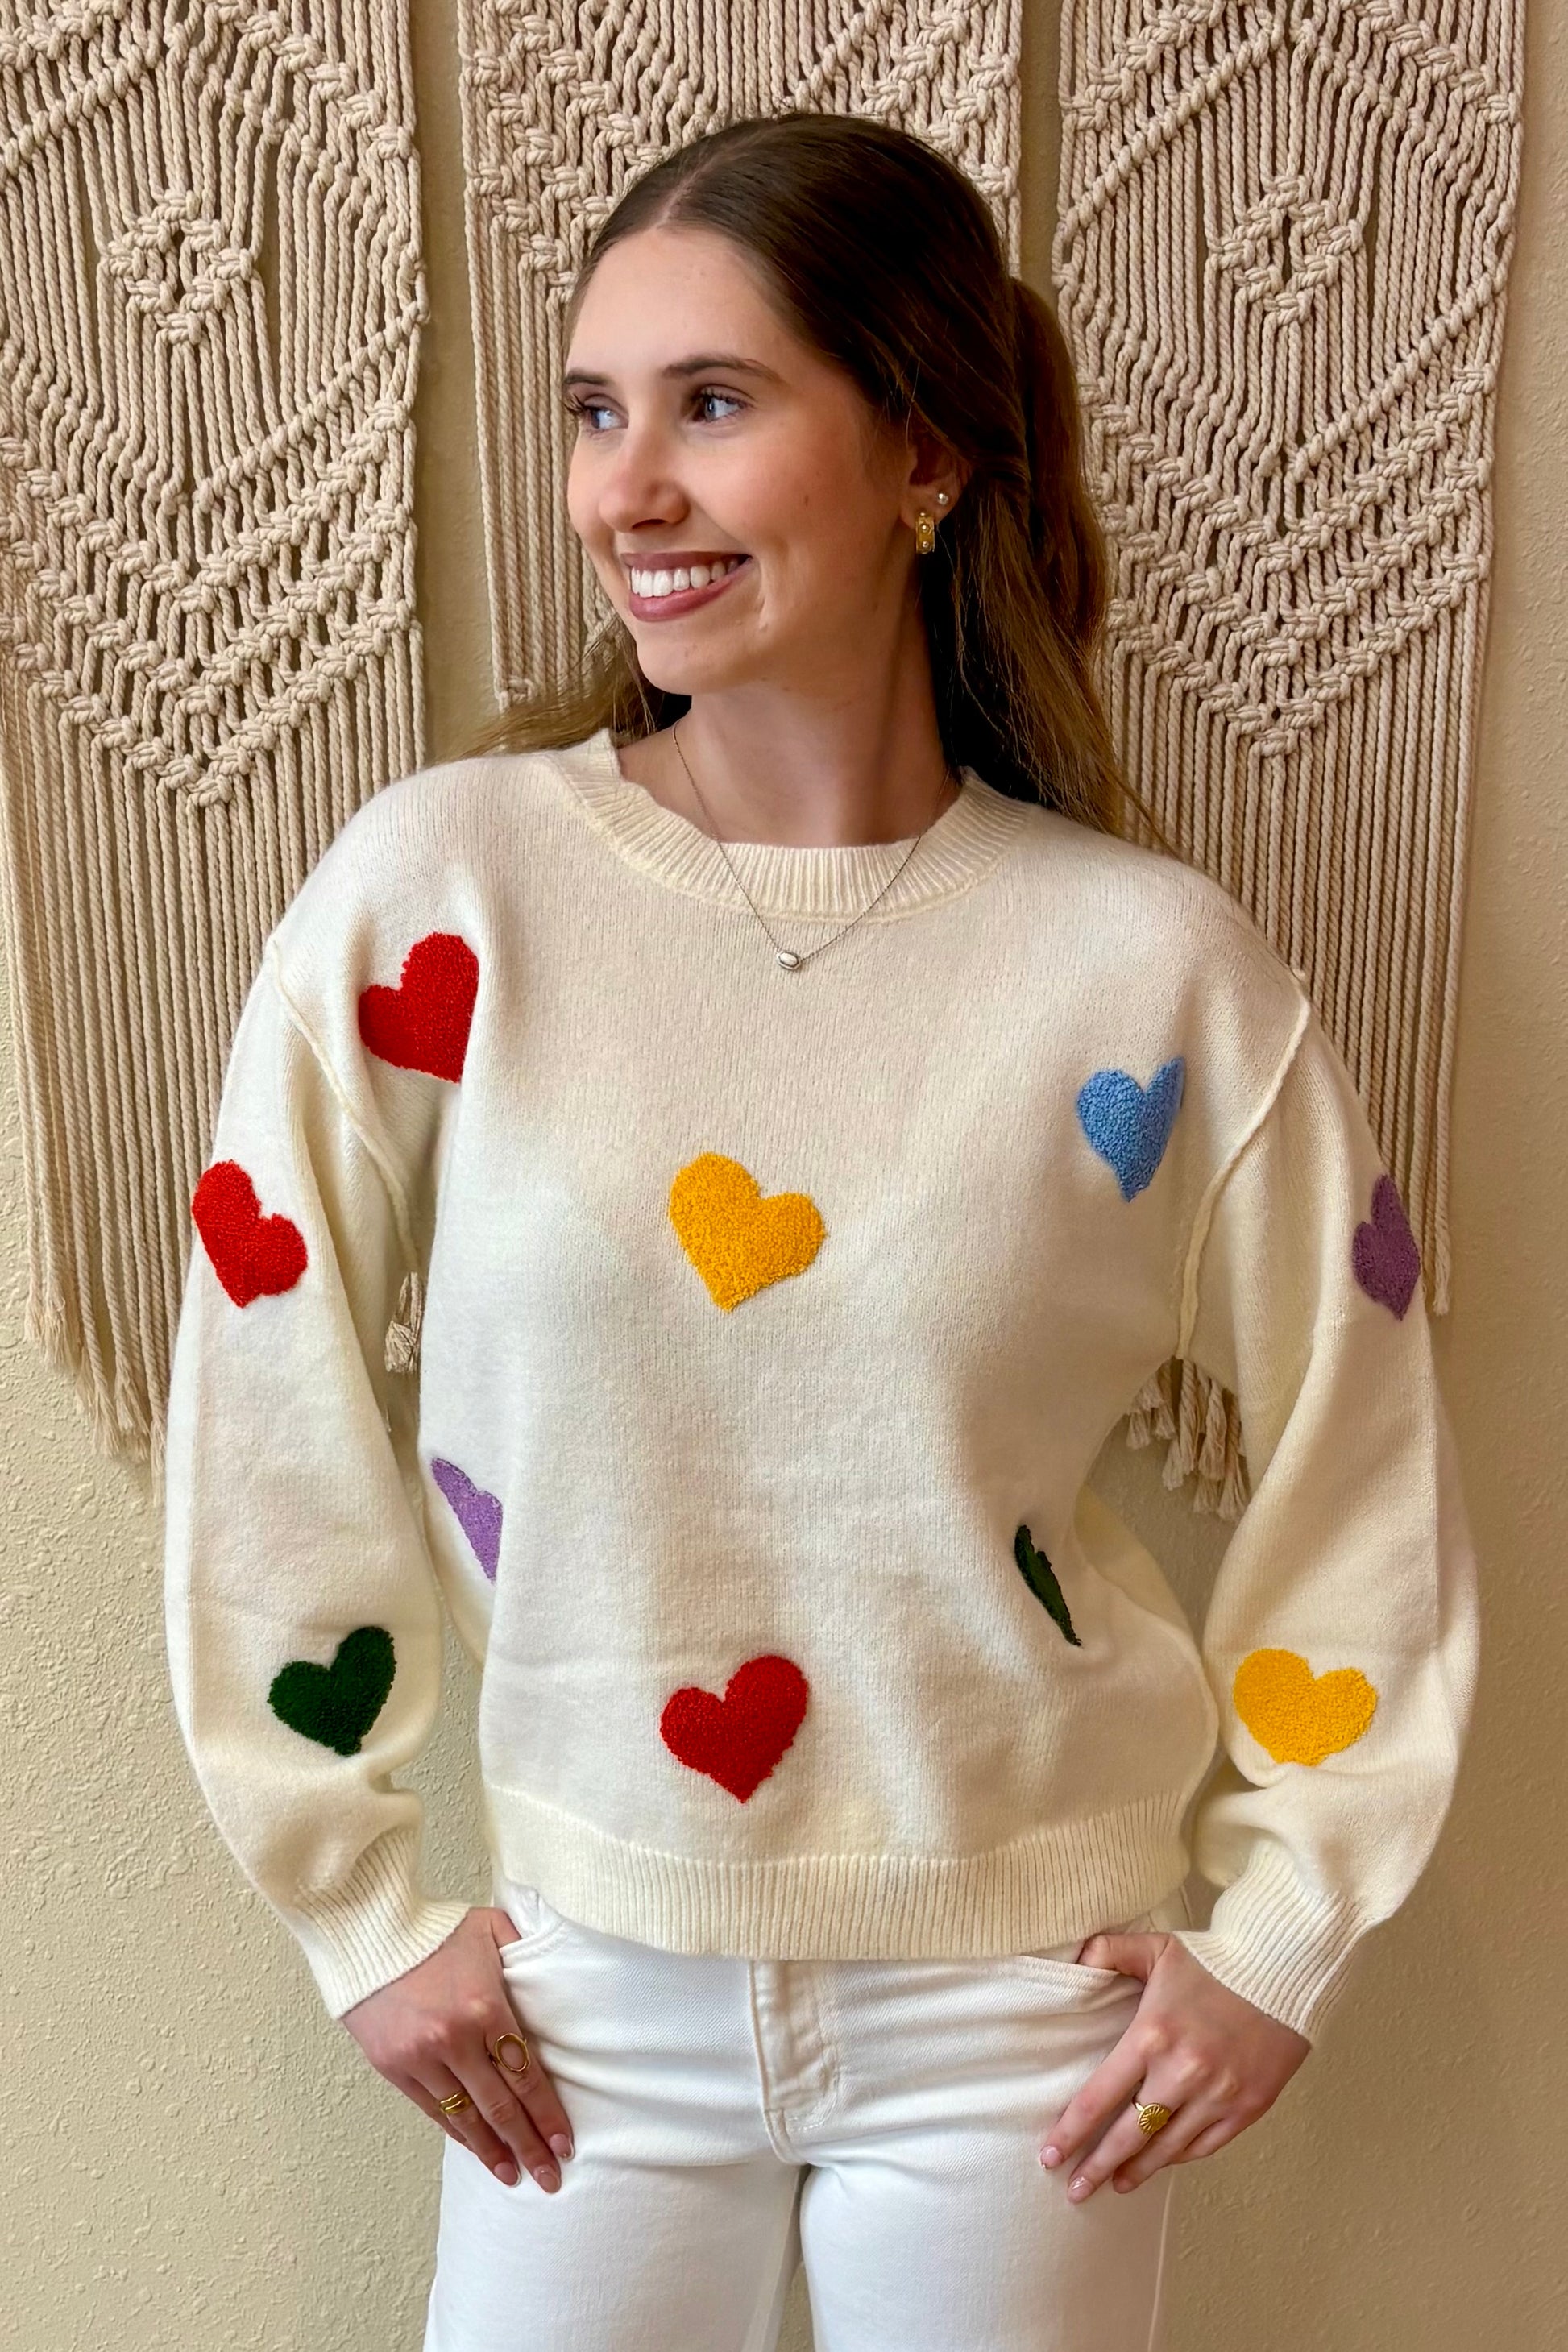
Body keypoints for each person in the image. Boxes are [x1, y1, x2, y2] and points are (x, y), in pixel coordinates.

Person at [162, 110, 1479, 2352]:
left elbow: (1367, 1449)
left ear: (924, 456)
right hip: (578, 2004)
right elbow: (262, 1369)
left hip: (1022, 2021)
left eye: (712, 404)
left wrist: (1282, 1934)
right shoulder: (442, 897)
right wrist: (356, 1907)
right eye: (595, 411)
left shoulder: (1148, 972)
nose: (627, 491)